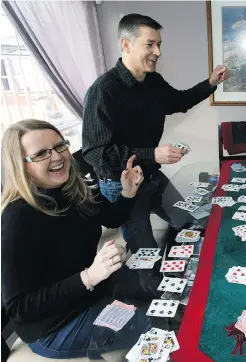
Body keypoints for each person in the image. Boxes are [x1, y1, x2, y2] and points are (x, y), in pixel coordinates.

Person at [1, 120, 149, 359]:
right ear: (20, 165)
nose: (58, 156)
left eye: (60, 146)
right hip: (55, 327)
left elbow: (112, 218)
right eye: (41, 154)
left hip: (91, 293)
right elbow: (19, 308)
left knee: (162, 288)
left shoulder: (76, 188)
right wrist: (89, 276)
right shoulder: (17, 217)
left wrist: (127, 192)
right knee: (154, 322)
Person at [82, 14, 230, 252]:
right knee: (145, 252)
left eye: (158, 44)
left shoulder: (154, 81)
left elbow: (180, 101)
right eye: (149, 44)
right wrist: (152, 154)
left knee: (191, 222)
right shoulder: (102, 91)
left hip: (152, 175)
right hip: (122, 185)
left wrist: (211, 82)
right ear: (126, 45)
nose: (158, 52)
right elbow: (95, 153)